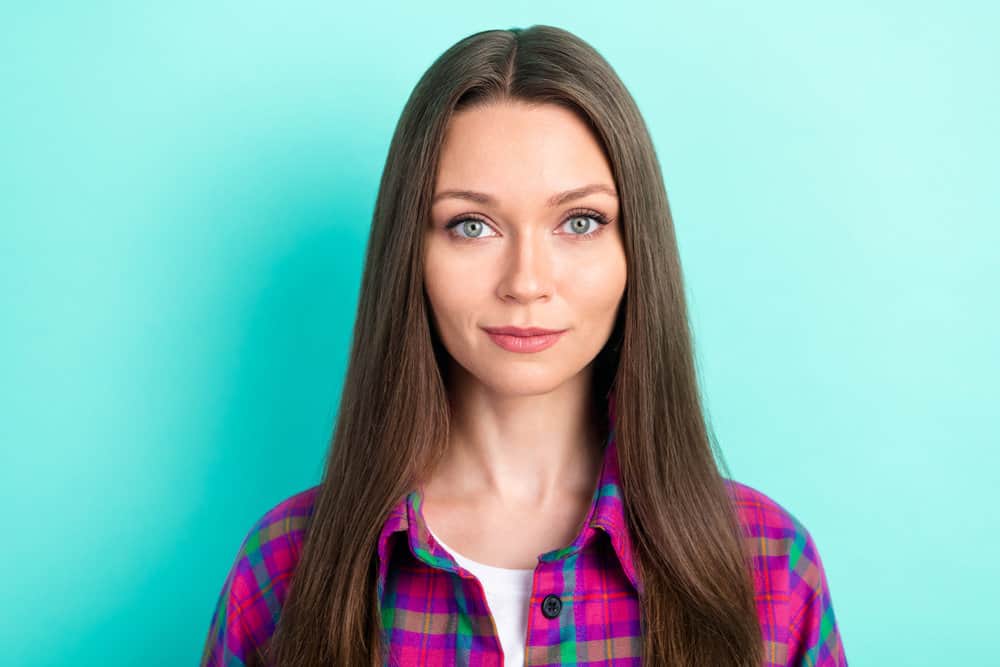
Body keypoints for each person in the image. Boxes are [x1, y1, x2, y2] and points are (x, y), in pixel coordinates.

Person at [199, 24, 847, 667]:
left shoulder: (769, 566)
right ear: (410, 255)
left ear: (634, 249)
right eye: (471, 225)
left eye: (580, 221)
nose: (526, 282)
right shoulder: (284, 568)